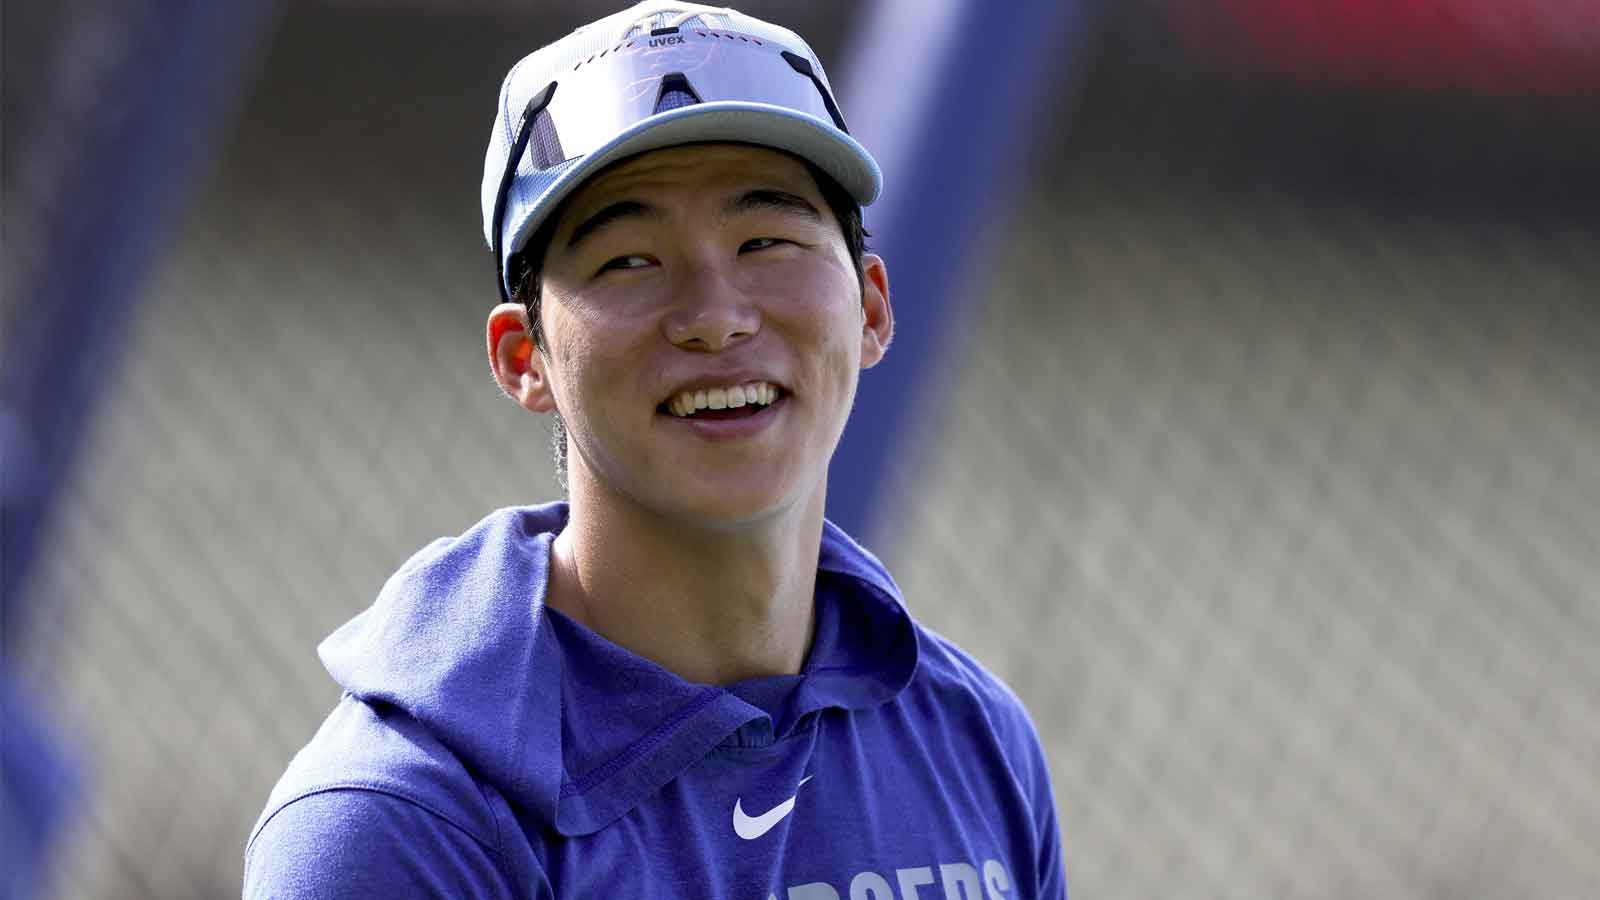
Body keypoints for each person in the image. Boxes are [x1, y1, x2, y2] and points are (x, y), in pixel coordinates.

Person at [243, 3, 1066, 897]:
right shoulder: (395, 827)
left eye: (768, 242)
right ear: (526, 360)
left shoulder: (976, 742)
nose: (717, 316)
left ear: (870, 308)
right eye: (631, 260)